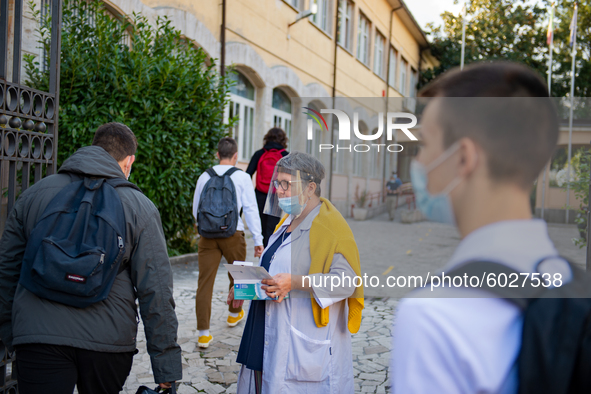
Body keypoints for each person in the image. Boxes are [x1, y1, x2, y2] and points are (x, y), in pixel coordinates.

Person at [391, 62, 564, 392]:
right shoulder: (572, 284)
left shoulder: (434, 318)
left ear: (463, 158)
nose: (420, 162)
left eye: (426, 144)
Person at [0, 122, 182, 393]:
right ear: (128, 161)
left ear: (93, 147)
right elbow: (155, 289)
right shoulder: (139, 207)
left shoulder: (34, 194)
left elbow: (7, 269)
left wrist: (14, 334)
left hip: (38, 335)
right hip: (107, 340)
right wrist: (166, 366)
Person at [231, 152, 364, 393]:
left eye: (286, 184)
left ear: (310, 187)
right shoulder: (286, 222)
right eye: (277, 183)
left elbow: (348, 282)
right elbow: (273, 270)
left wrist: (297, 283)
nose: (279, 191)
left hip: (303, 341)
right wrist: (246, 287)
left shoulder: (332, 228)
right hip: (266, 327)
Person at [192, 137, 264, 348]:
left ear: (217, 154)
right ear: (235, 156)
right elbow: (251, 210)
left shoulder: (204, 176)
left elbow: (196, 207)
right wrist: (258, 240)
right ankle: (234, 314)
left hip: (207, 237)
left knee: (205, 283)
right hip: (234, 234)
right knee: (240, 276)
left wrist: (204, 228)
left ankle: (203, 334)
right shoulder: (241, 177)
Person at [246, 127, 289, 247]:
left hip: (259, 194)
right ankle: (268, 260)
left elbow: (248, 174)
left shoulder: (259, 154)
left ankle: (261, 256)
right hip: (276, 197)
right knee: (272, 230)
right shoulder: (285, 156)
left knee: (261, 229)